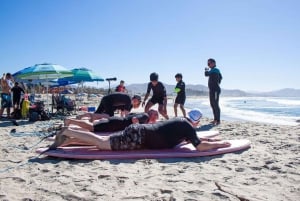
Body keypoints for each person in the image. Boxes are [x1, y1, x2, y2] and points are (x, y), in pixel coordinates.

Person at [49, 113, 230, 152]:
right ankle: (69, 129)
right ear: (196, 122)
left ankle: (69, 137)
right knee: (102, 144)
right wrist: (220, 144)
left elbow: (175, 136)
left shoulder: (180, 121)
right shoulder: (189, 129)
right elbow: (200, 147)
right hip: (139, 137)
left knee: (102, 143)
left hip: (139, 131)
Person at [64, 109, 159, 132]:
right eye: (156, 115)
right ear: (151, 114)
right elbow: (134, 119)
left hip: (116, 121)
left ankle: (72, 121)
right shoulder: (145, 116)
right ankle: (70, 121)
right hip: (116, 124)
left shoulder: (144, 115)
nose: (156, 117)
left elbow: (130, 116)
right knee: (92, 127)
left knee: (93, 126)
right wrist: (138, 127)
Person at [205, 58, 222, 125]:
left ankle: (218, 120)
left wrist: (206, 70)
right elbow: (221, 77)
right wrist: (217, 82)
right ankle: (215, 119)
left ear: (214, 63)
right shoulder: (213, 70)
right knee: (212, 104)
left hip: (215, 90)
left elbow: (206, 74)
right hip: (212, 90)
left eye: (209, 63)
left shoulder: (215, 70)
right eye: (207, 64)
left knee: (215, 105)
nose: (208, 65)